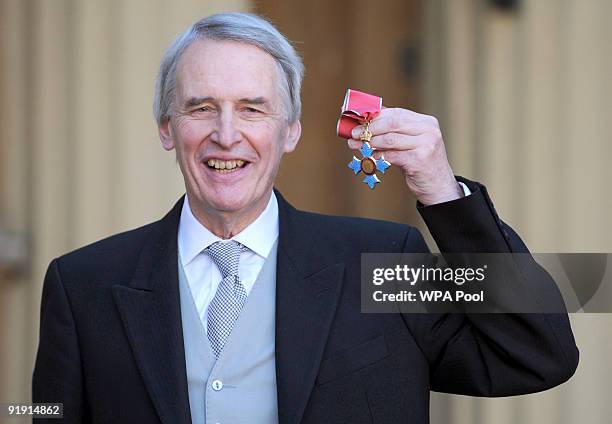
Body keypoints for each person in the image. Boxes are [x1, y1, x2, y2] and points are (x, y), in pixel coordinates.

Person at [32, 12, 578, 424]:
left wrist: (442, 192)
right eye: (201, 108)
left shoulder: (383, 264)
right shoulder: (83, 285)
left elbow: (537, 355)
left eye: (253, 108)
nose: (227, 133)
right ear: (166, 128)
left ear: (289, 131)